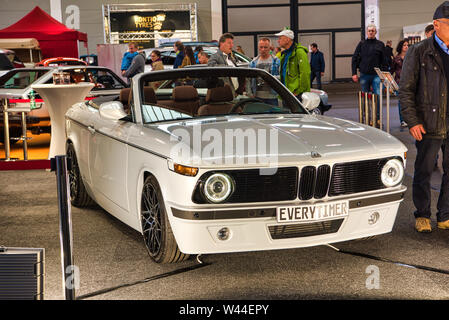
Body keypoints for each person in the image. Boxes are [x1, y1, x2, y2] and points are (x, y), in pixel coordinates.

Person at [399, 1, 449, 233]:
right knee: (424, 170)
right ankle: (422, 214)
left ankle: (445, 214)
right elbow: (406, 89)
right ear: (436, 25)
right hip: (428, 123)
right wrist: (412, 120)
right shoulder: (419, 51)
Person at [351, 24, 388, 125]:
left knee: (377, 96)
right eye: (369, 31)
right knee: (365, 97)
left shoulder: (380, 44)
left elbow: (384, 61)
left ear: (375, 32)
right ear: (367, 32)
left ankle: (377, 118)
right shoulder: (361, 44)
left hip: (376, 75)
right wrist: (354, 73)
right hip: (364, 75)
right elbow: (354, 58)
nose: (371, 32)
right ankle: (366, 118)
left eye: (373, 31)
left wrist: (384, 76)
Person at [275, 27, 311, 98]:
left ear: (288, 39)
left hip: (296, 94)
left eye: (280, 38)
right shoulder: (284, 54)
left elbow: (305, 73)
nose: (278, 41)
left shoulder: (299, 52)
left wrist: (299, 92)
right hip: (286, 92)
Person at [248, 37, 281, 105]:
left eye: (265, 47)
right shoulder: (253, 63)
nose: (263, 49)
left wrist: (271, 78)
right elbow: (248, 79)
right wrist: (249, 93)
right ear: (258, 47)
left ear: (270, 47)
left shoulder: (276, 61)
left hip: (273, 97)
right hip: (257, 97)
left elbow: (282, 77)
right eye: (261, 47)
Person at [391, 39, 409, 127]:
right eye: (404, 45)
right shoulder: (396, 58)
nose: (406, 47)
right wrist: (390, 84)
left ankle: (410, 119)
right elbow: (392, 70)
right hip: (398, 82)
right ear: (401, 47)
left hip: (409, 82)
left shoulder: (411, 57)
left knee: (410, 101)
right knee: (401, 102)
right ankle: (402, 120)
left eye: (407, 45)